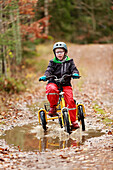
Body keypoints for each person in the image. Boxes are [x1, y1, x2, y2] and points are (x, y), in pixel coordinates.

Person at [39, 42, 80, 129]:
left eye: (61, 52)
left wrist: (75, 74)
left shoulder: (70, 62)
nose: (59, 54)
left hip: (66, 84)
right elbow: (49, 70)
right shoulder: (52, 62)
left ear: (65, 52)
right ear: (55, 53)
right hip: (53, 82)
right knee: (51, 89)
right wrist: (45, 76)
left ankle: (73, 121)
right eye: (57, 52)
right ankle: (53, 107)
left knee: (70, 100)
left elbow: (74, 69)